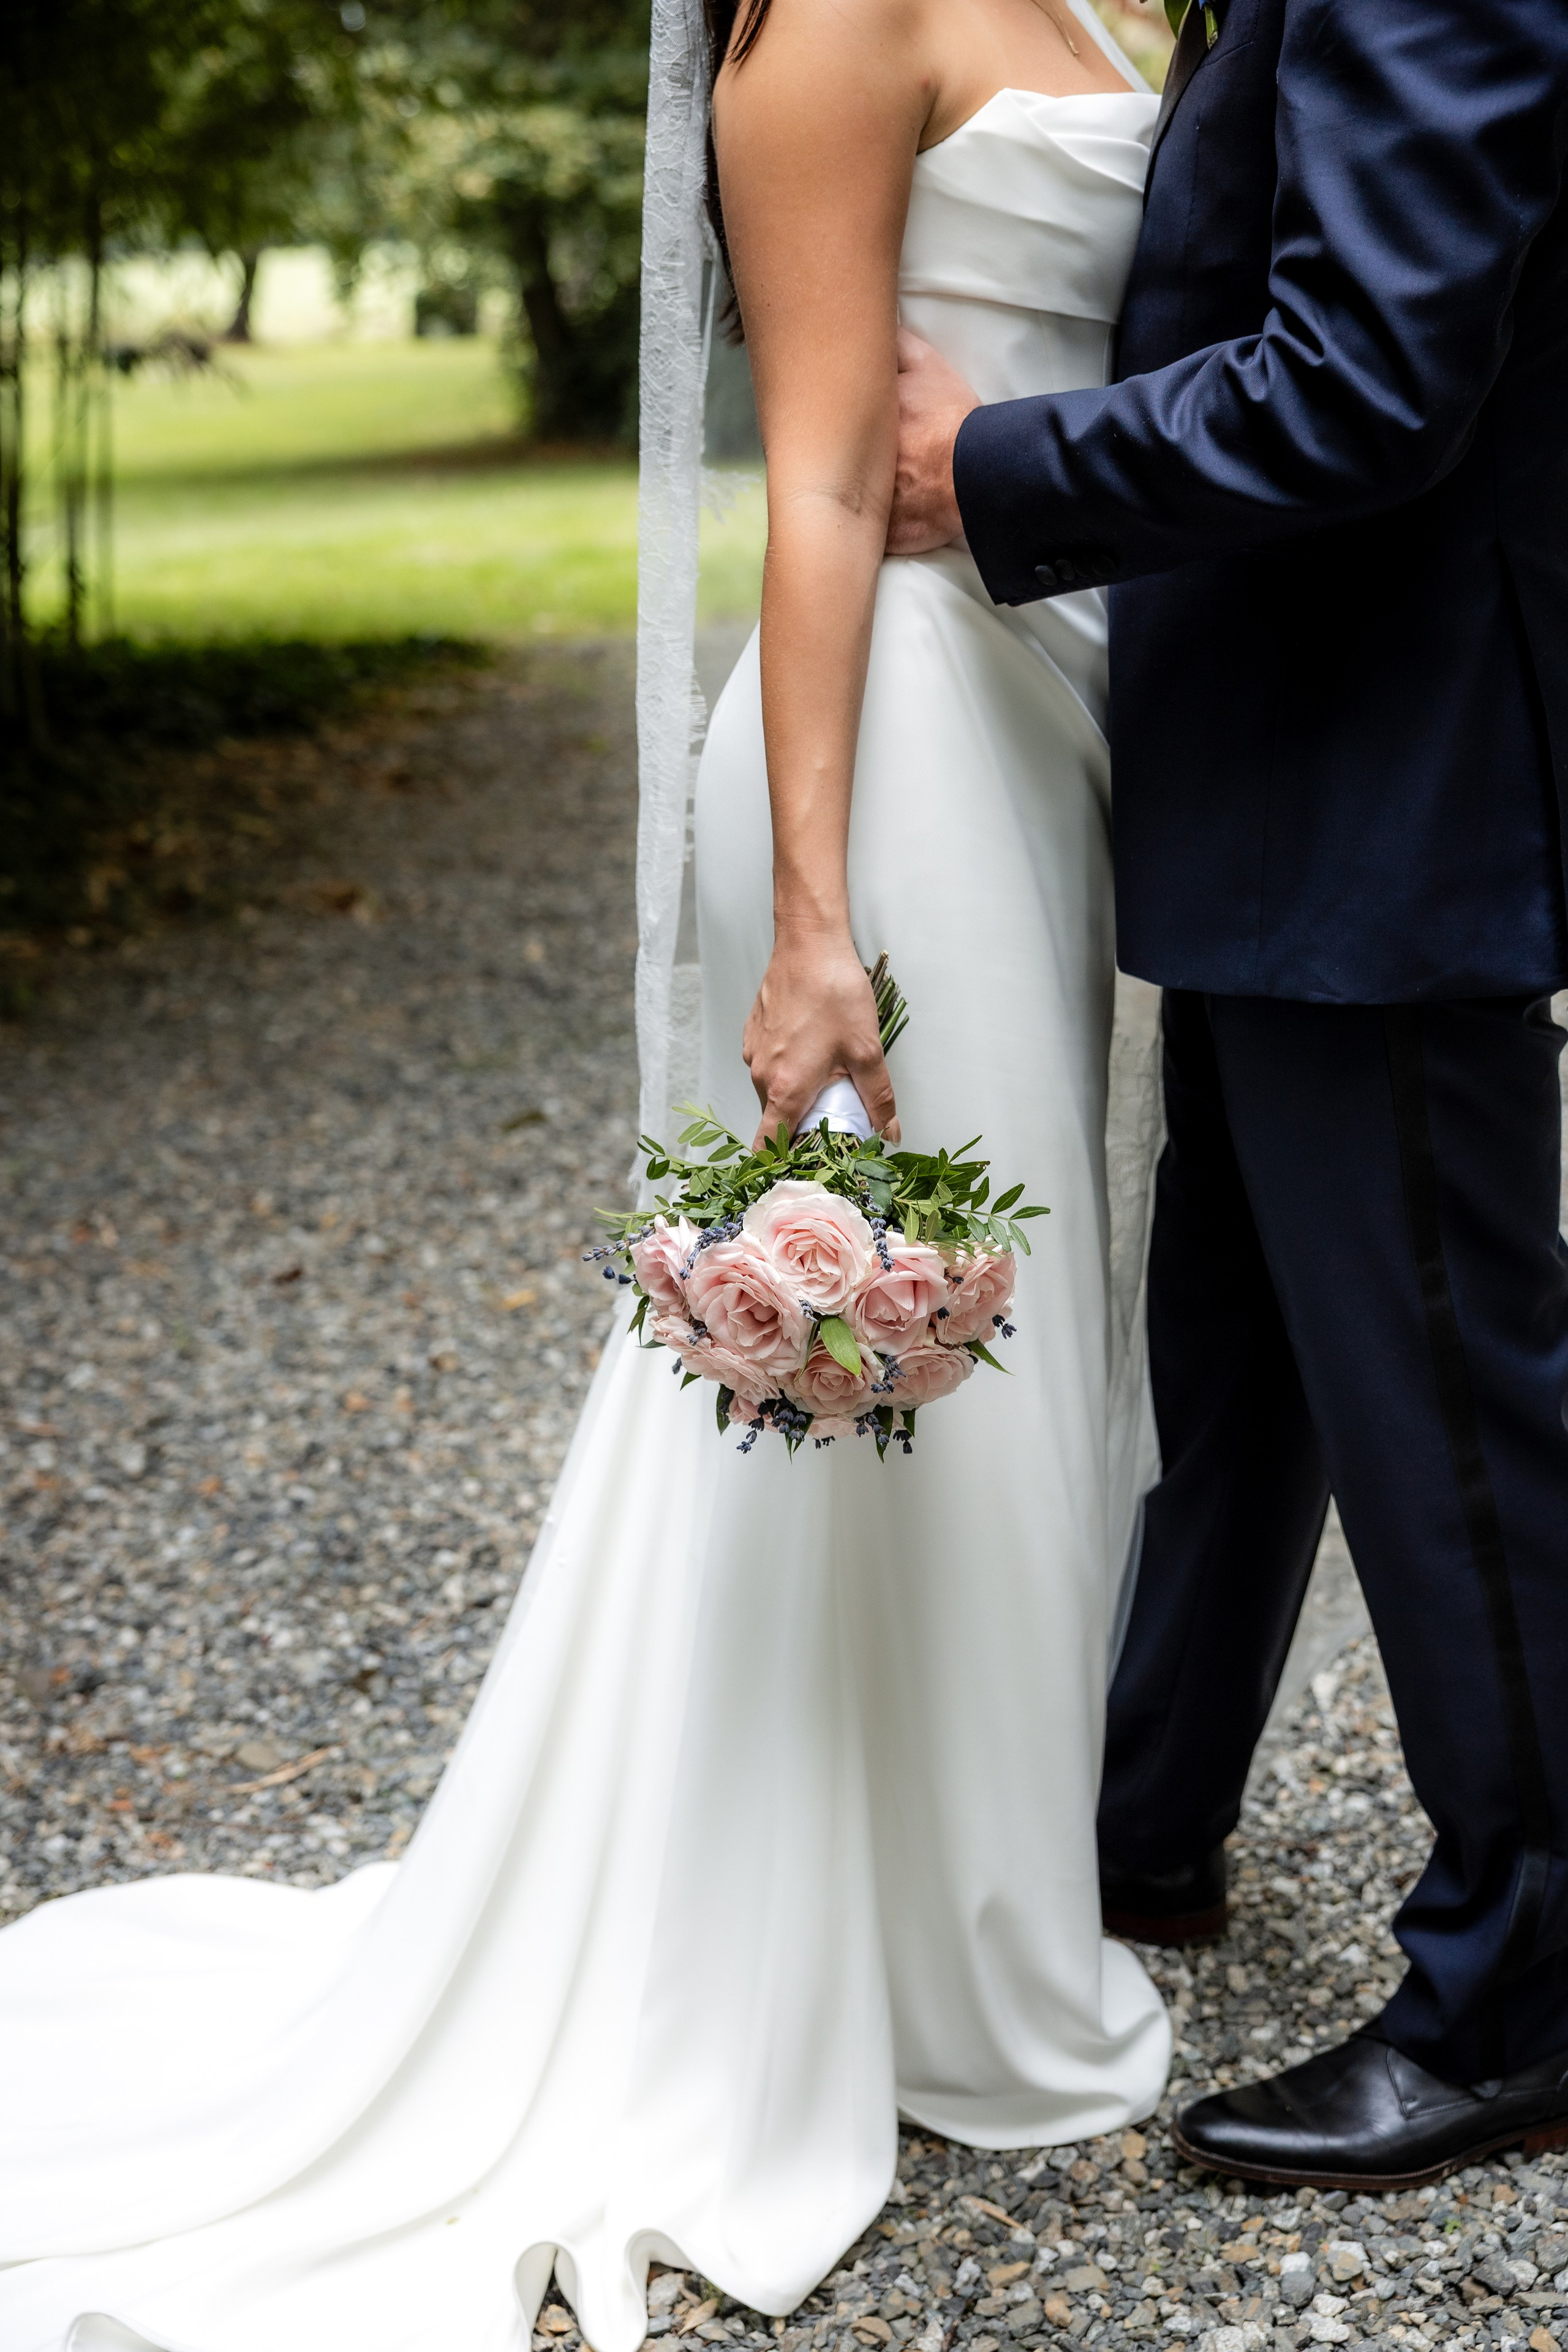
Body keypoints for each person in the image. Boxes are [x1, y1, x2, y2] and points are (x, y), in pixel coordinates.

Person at [0, 0, 1175, 2343]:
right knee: (920, 1368)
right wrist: (820, 918)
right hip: (901, 749)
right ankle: (935, 1985)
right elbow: (825, 479)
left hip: (1054, 733)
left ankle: (968, 1910)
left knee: (1029, 1373)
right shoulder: (829, 22)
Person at [890, 0, 1568, 2188]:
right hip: (1298, 755)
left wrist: (995, 471)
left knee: (1452, 1390)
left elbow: (1371, 371)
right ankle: (1148, 1815)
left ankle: (1531, 1977)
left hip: (1396, 764)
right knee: (1252, 1333)